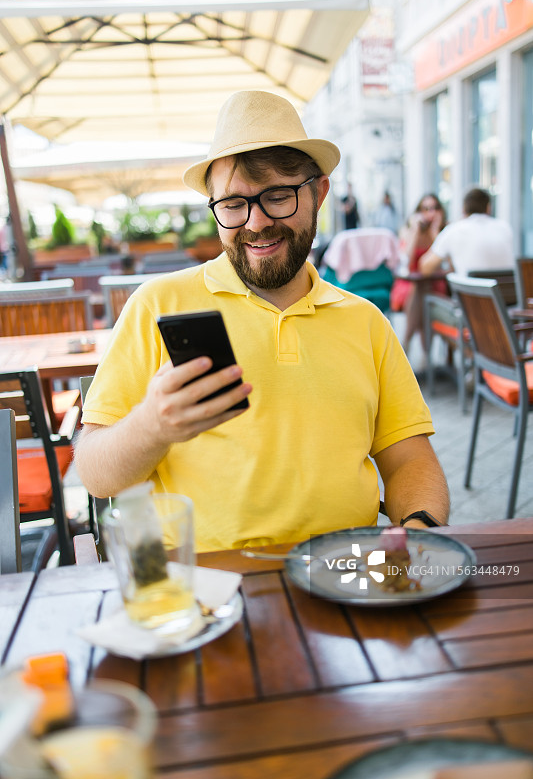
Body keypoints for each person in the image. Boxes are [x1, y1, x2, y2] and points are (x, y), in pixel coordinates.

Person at [75, 90, 449, 552]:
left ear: (319, 192)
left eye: (277, 195)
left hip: (345, 575)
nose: (254, 223)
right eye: (232, 204)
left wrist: (418, 531)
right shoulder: (157, 303)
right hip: (211, 588)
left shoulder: (365, 321)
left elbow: (408, 459)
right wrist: (152, 425)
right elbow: (94, 474)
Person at [390, 193, 447, 353]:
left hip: (435, 283)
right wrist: (415, 231)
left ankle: (405, 343)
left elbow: (444, 262)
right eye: (426, 208)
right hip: (410, 284)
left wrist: (436, 232)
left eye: (435, 208)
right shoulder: (408, 229)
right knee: (419, 291)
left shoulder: (443, 231)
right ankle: (425, 355)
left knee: (422, 292)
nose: (431, 212)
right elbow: (405, 261)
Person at [419, 187, 515, 277]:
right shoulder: (505, 228)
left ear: (463, 209)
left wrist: (434, 232)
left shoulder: (454, 229)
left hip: (470, 294)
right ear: (488, 208)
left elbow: (425, 268)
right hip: (505, 294)